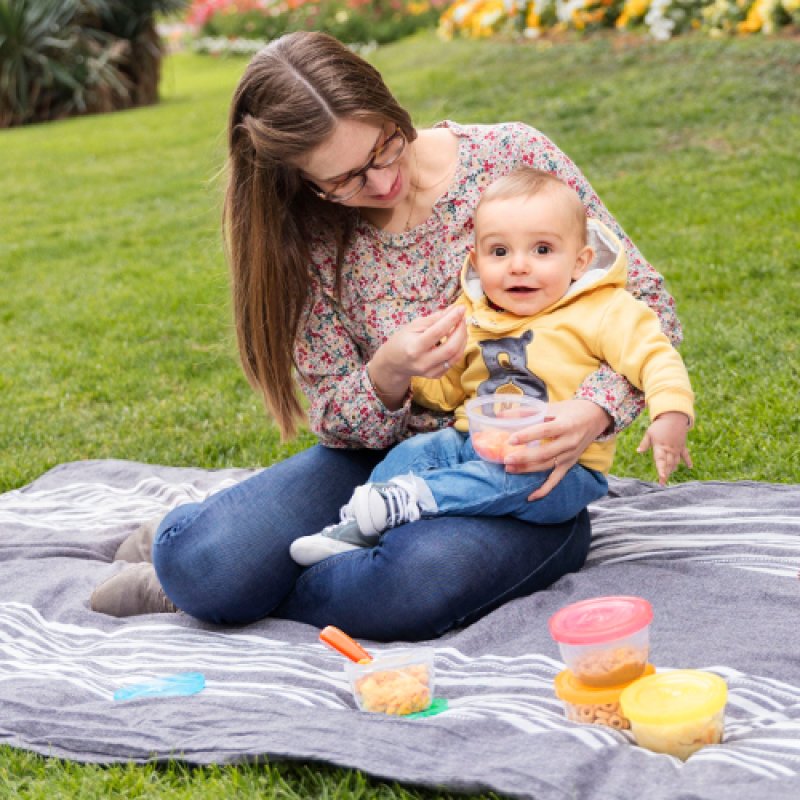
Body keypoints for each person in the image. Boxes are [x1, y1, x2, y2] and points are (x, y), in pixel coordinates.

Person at [89, 32, 685, 642]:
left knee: (418, 576)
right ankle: (207, 575)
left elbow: (648, 307)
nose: (379, 184)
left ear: (390, 105)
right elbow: (330, 414)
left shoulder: (513, 156)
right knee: (206, 563)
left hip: (529, 475)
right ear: (299, 180)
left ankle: (234, 591)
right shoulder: (306, 234)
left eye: (384, 148)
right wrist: (388, 374)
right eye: (343, 179)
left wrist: (595, 410)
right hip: (386, 461)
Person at [289, 168, 694, 566]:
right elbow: (446, 391)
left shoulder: (605, 310)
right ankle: (357, 526)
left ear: (580, 261)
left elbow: (656, 356)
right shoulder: (474, 315)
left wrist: (671, 413)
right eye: (499, 252)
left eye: (542, 250)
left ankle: (412, 501)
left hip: (558, 467)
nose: (518, 266)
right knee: (416, 451)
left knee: (516, 478)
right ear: (477, 261)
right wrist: (418, 369)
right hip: (473, 443)